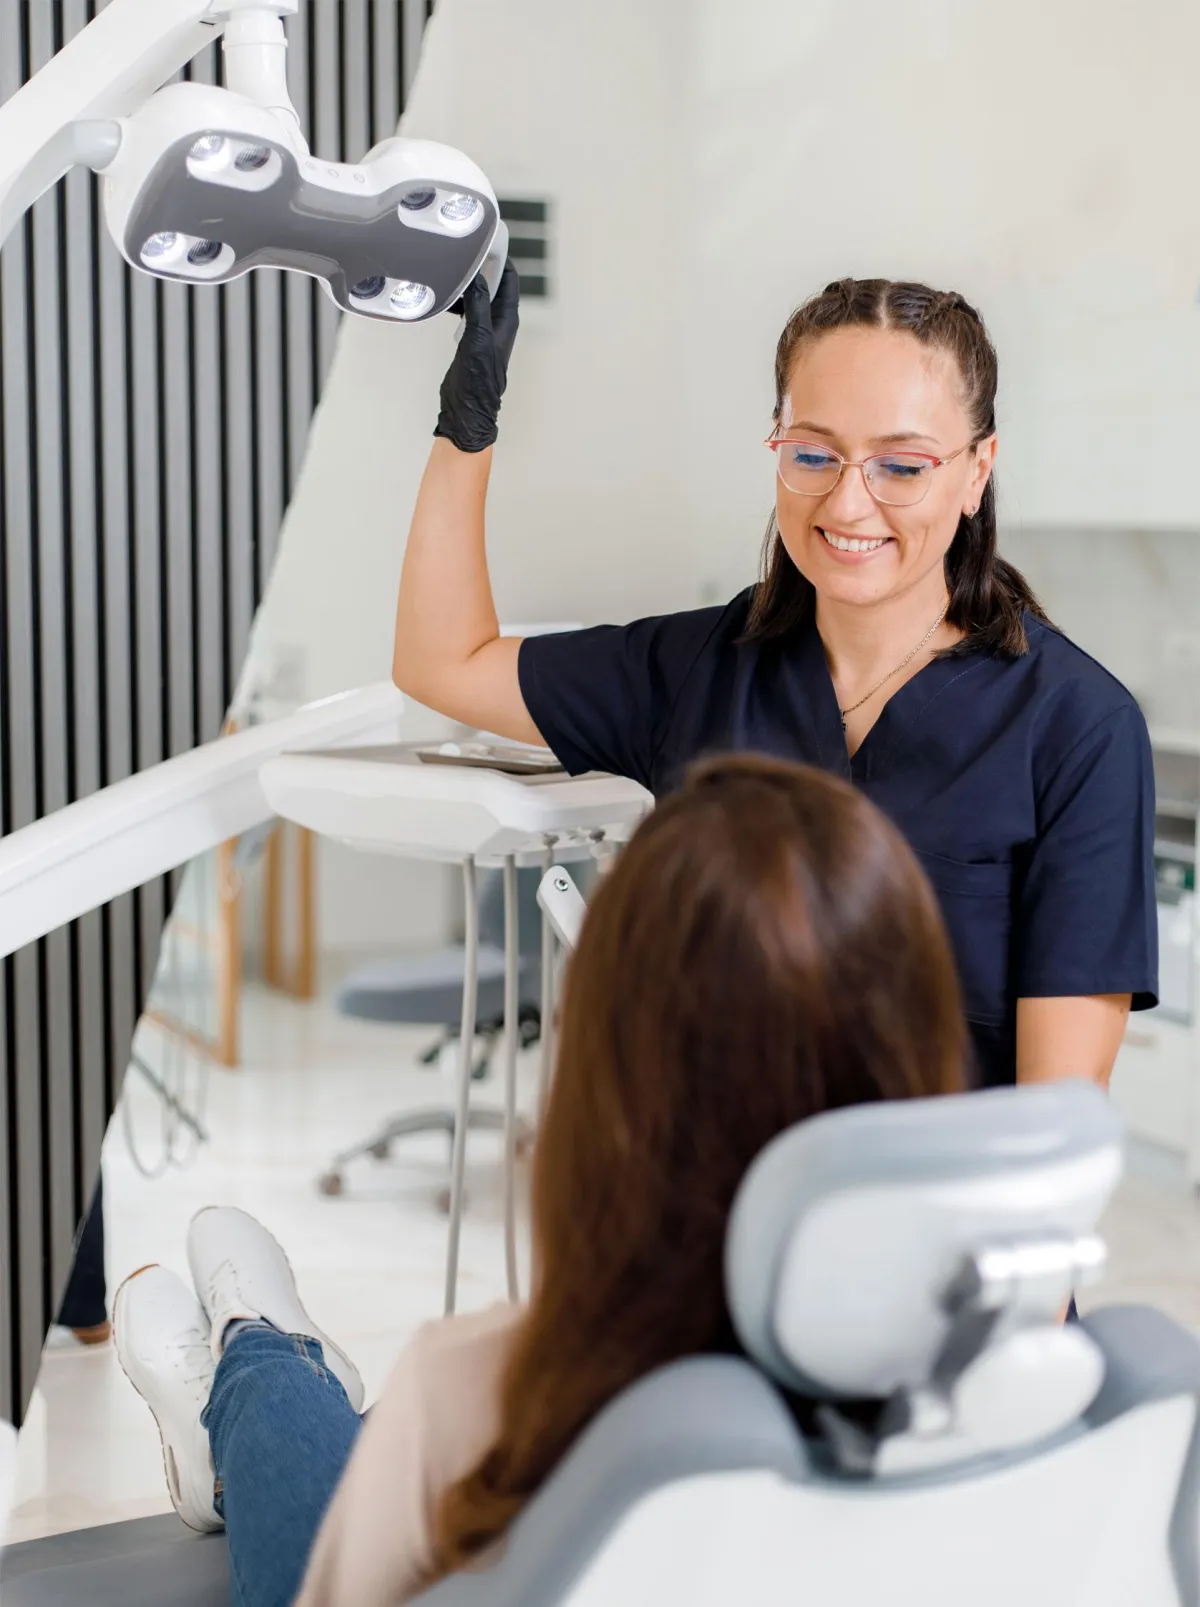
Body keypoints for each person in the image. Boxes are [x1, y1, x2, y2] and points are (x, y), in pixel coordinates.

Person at [114, 754, 966, 1607]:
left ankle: (256, 1353)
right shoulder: (986, 1384)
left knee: (296, 1412)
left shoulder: (480, 1390)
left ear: (602, 1082)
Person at [393, 265, 1158, 1094]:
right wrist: (467, 425)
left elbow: (1055, 1115)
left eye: (901, 466)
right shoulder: (701, 671)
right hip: (703, 1177)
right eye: (813, 454)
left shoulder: (1076, 727)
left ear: (977, 470)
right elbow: (444, 662)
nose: (849, 504)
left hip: (937, 1181)